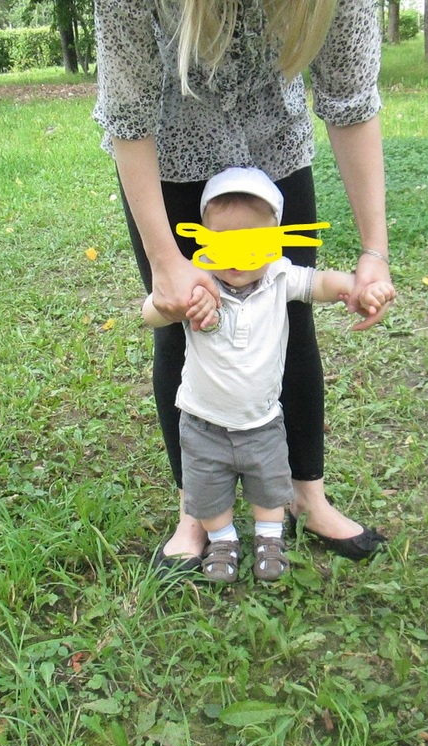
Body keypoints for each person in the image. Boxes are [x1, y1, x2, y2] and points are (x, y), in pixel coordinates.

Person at [93, 0, 394, 572]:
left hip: (276, 158)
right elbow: (127, 113)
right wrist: (165, 261)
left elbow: (352, 98)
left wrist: (373, 251)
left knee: (290, 320)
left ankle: (307, 496)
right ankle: (195, 511)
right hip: (171, 161)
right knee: (183, 322)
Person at [142, 168, 395, 582]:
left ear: (275, 241)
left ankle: (270, 538)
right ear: (204, 238)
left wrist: (358, 287)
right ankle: (221, 539)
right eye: (224, 244)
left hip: (262, 421)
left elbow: (323, 283)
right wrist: (170, 304)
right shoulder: (196, 283)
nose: (238, 258)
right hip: (202, 422)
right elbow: (151, 313)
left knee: (269, 484)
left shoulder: (279, 276)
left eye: (253, 245)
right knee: (207, 490)